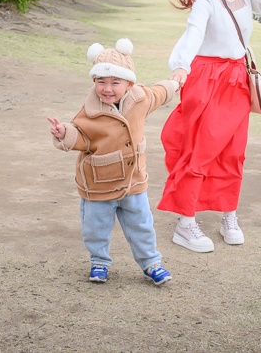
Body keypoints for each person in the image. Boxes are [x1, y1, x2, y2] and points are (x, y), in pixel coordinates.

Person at [158, 0, 261, 252]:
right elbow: (193, 35)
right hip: (206, 81)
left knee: (234, 153)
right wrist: (180, 67)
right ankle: (185, 224)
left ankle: (229, 214)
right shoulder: (206, 0)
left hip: (236, 82)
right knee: (199, 152)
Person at [47, 38, 179, 285]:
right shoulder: (89, 111)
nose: (107, 88)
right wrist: (64, 133)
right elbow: (82, 137)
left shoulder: (140, 99)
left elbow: (160, 94)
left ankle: (151, 263)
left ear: (129, 83)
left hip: (134, 182)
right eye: (101, 82)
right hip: (99, 183)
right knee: (95, 227)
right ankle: (99, 261)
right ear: (94, 82)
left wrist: (175, 81)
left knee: (142, 225)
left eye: (115, 82)